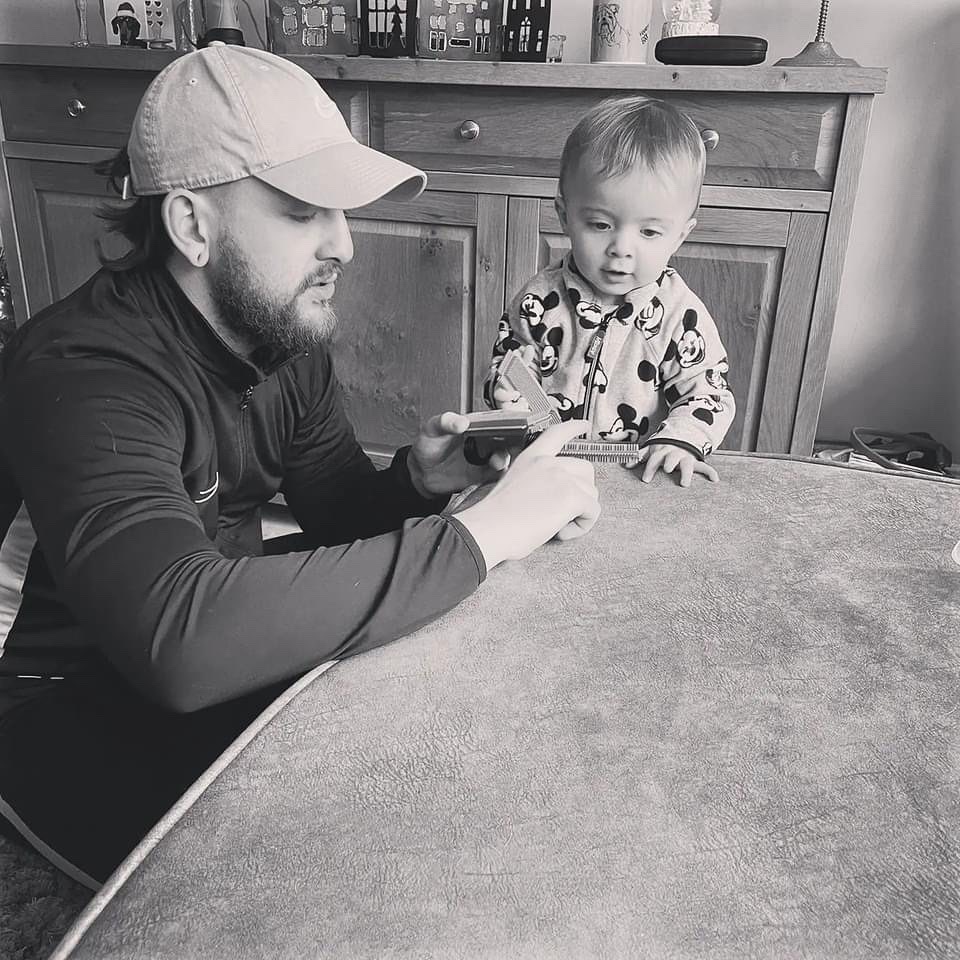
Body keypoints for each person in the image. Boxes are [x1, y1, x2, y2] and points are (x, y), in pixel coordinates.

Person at [0, 45, 599, 886]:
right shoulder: (84, 374)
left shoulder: (277, 333)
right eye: (302, 211)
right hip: (55, 707)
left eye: (341, 211)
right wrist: (485, 533)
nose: (344, 244)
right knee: (370, 853)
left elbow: (337, 515)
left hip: (202, 623)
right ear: (192, 226)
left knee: (457, 705)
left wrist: (420, 484)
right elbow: (182, 641)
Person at [484, 96, 736, 488]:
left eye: (649, 231)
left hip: (635, 475)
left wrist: (680, 441)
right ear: (565, 216)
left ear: (680, 236)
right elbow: (509, 363)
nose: (621, 248)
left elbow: (708, 391)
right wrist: (507, 394)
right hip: (541, 467)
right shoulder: (538, 300)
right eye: (601, 225)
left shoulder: (677, 312)